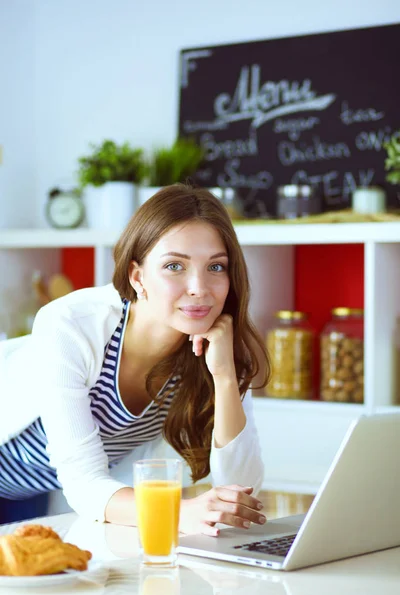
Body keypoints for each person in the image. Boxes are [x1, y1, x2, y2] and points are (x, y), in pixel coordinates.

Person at [0, 184, 270, 535]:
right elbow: (84, 483)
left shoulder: (216, 346)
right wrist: (180, 512)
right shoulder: (70, 325)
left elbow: (242, 488)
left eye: (216, 267)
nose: (199, 287)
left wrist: (224, 377)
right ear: (137, 276)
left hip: (37, 493)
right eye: (175, 265)